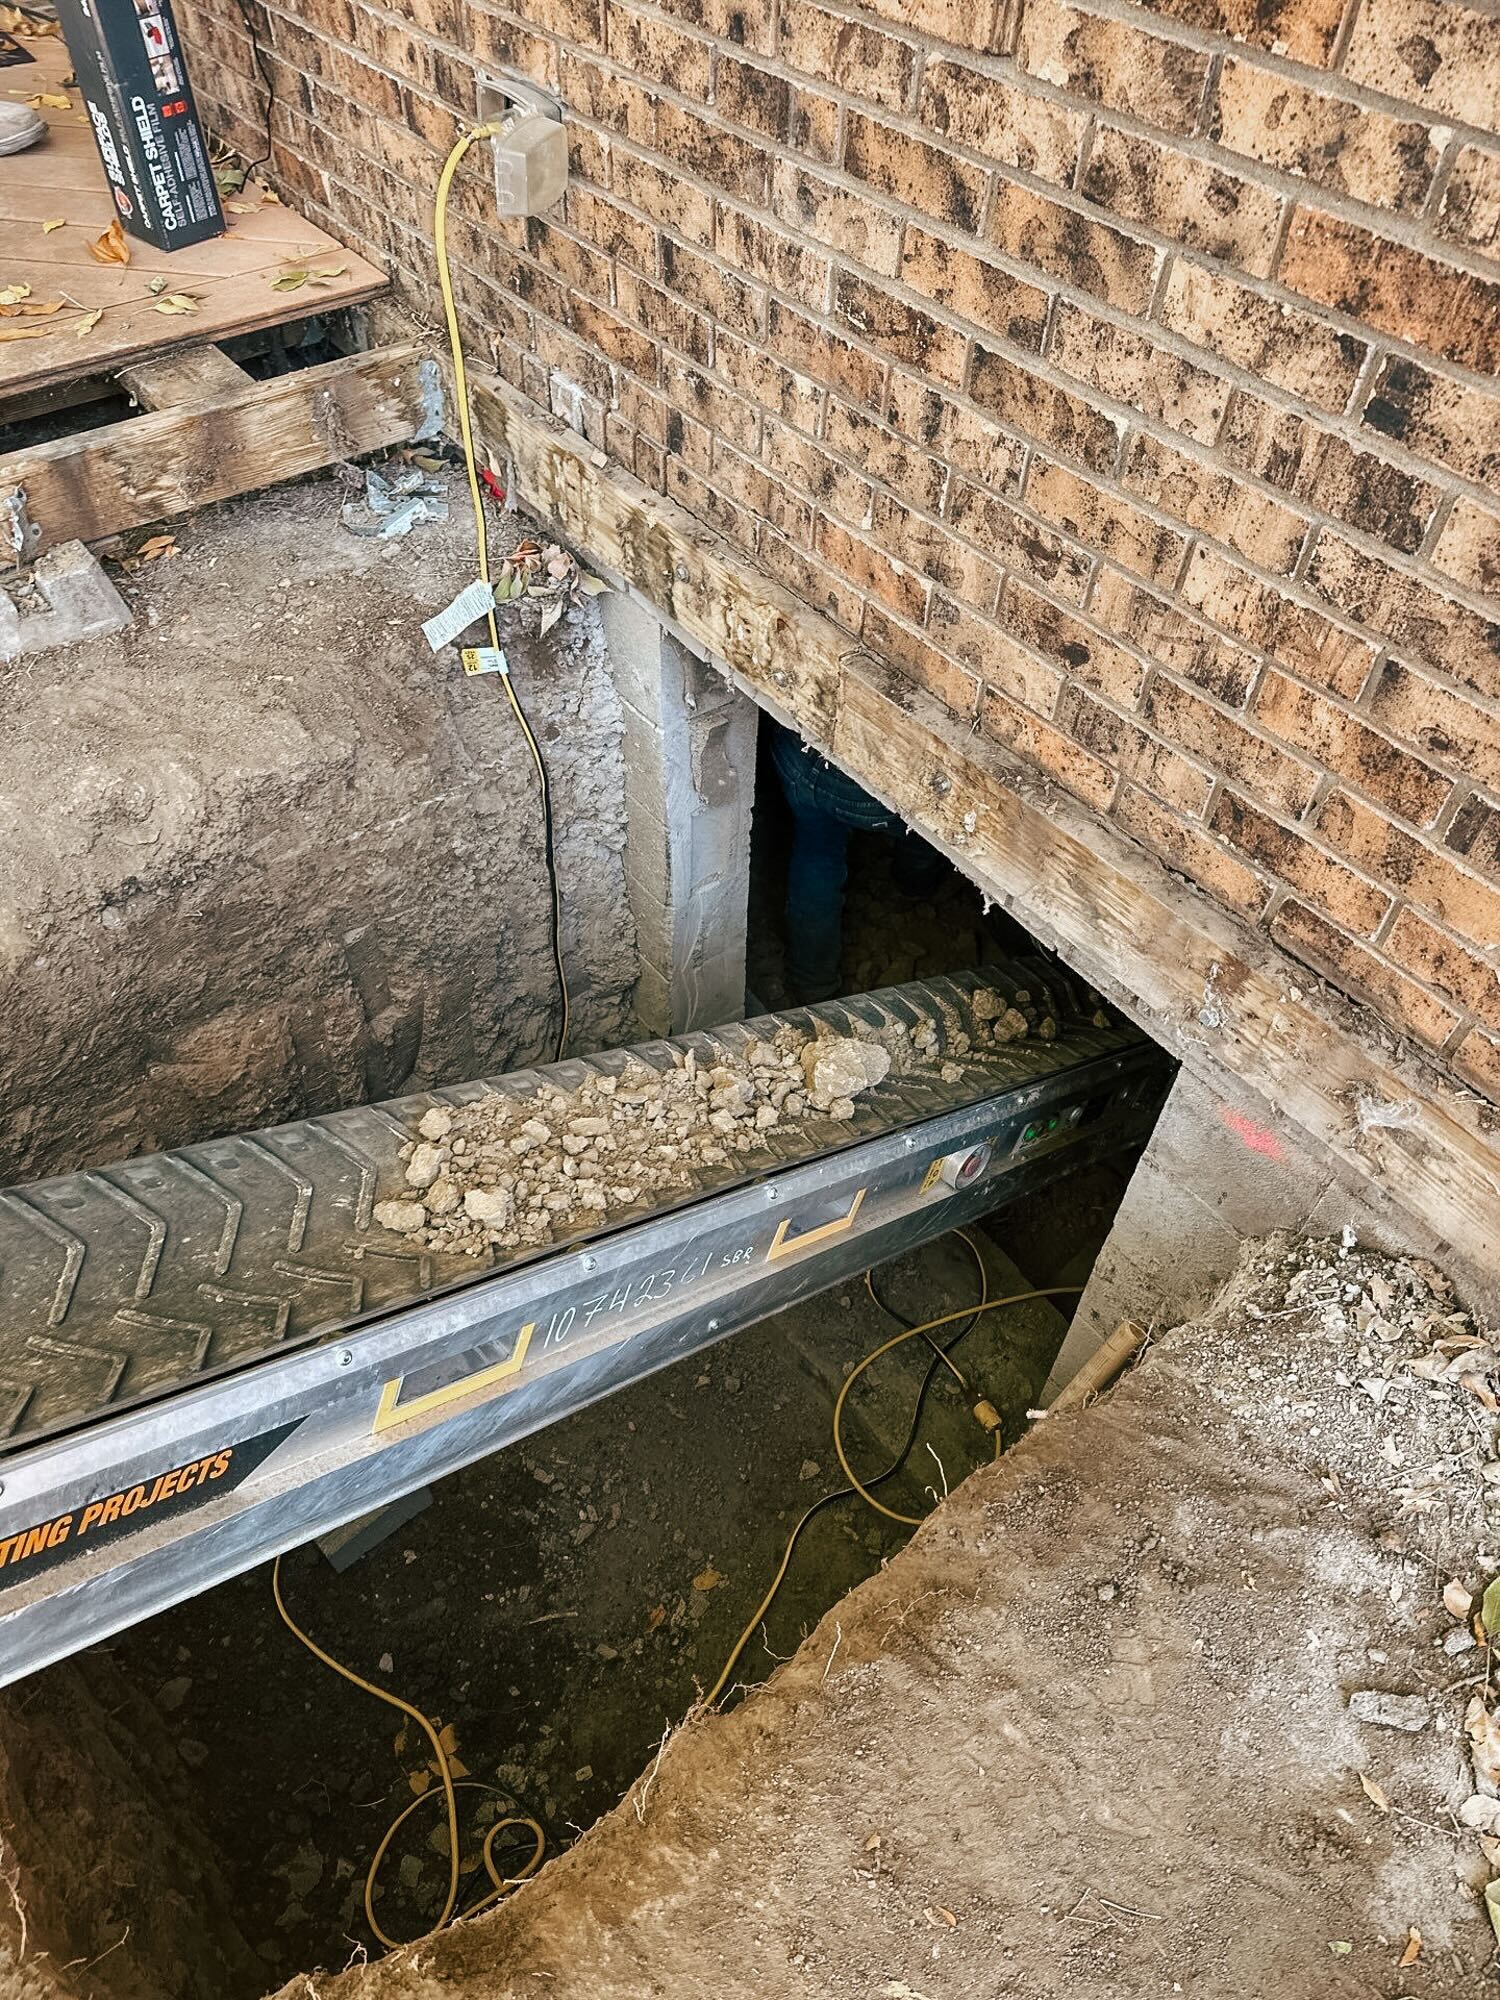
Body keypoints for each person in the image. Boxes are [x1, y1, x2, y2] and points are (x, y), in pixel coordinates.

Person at [768, 720, 948, 1004]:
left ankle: (813, 984)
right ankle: (914, 885)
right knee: (929, 827)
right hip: (863, 791)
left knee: (817, 850)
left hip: (795, 752)